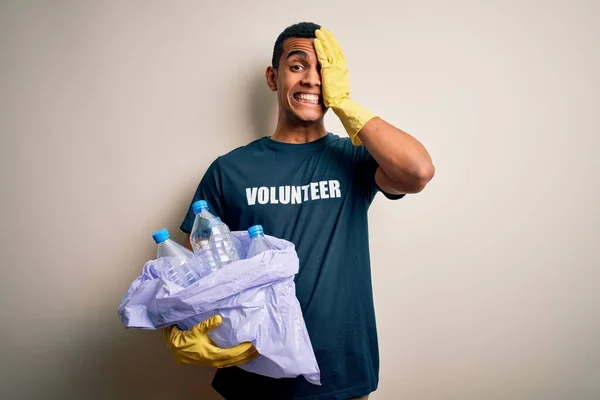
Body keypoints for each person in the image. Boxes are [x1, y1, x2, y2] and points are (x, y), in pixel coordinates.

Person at [161, 21, 435, 400]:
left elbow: (418, 171)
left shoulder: (354, 158)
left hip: (341, 376)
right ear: (273, 77)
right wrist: (176, 332)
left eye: (324, 68)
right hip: (253, 376)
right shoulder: (229, 169)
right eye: (298, 65)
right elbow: (189, 273)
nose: (312, 79)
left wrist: (344, 103)